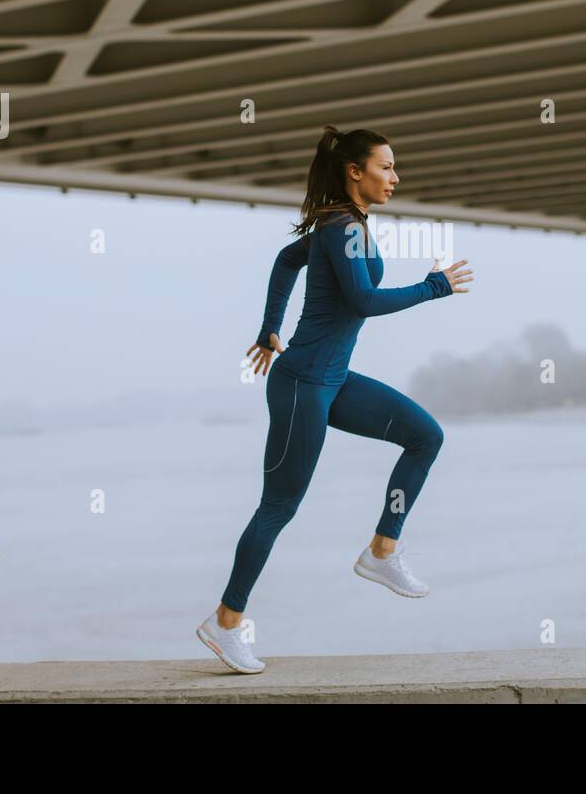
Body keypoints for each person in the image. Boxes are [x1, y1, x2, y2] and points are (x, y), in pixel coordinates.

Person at [196, 125, 473, 673]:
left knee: (425, 436)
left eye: (394, 168)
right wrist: (433, 286)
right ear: (355, 171)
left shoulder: (345, 225)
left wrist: (271, 327)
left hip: (333, 378)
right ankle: (226, 623)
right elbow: (364, 300)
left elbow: (284, 260)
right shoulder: (342, 227)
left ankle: (382, 551)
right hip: (302, 386)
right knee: (278, 508)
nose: (395, 177)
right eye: (386, 167)